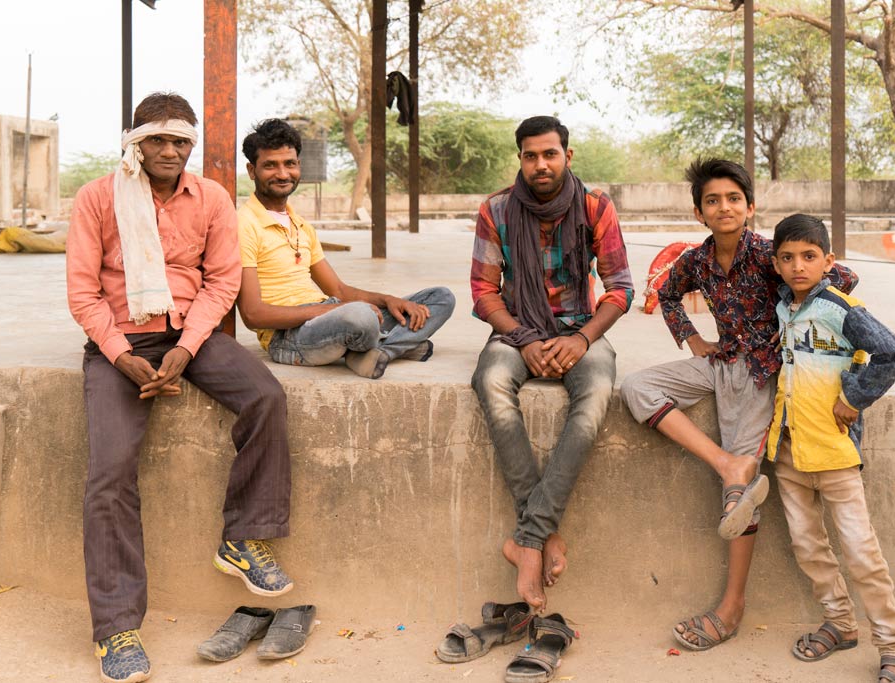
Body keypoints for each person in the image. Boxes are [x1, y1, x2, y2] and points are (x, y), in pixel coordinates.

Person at [67, 93, 294, 683]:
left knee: (266, 397)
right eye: (157, 141)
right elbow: (83, 294)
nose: (170, 152)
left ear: (191, 145)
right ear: (134, 143)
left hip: (190, 336)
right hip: (119, 342)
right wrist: (120, 355)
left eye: (181, 142)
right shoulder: (97, 197)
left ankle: (242, 539)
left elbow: (220, 283)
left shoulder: (211, 197)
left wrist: (187, 348)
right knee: (109, 473)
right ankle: (116, 626)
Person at [619, 158, 857, 651]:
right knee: (637, 387)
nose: (723, 207)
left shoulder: (772, 255)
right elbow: (664, 295)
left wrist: (797, 331)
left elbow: (842, 278)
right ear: (698, 212)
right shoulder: (698, 260)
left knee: (740, 497)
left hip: (762, 372)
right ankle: (728, 464)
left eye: (733, 199)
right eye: (712, 201)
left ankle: (731, 606)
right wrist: (692, 338)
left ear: (750, 207)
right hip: (720, 359)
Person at [470, 115, 633, 612]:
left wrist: (583, 339)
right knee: (492, 381)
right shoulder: (496, 209)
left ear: (568, 156)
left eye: (550, 154)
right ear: (519, 158)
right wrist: (522, 339)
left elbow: (621, 287)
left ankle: (528, 537)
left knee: (595, 398)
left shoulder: (594, 206)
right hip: (518, 330)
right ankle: (542, 534)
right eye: (530, 156)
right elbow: (482, 293)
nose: (540, 164)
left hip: (580, 329)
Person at [767, 214, 895, 682]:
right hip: (789, 452)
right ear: (775, 264)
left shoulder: (841, 308)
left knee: (860, 552)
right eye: (787, 258)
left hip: (834, 454)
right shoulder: (783, 309)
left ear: (828, 261)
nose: (798, 266)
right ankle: (839, 623)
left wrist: (853, 397)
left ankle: (892, 645)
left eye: (809, 257)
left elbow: (893, 352)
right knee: (808, 546)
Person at [236, 118, 454, 379]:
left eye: (289, 164)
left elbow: (339, 291)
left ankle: (375, 351)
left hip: (331, 317)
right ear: (252, 170)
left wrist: (389, 300)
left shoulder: (301, 225)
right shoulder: (243, 224)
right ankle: (393, 344)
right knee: (360, 317)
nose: (283, 174)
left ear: (298, 166)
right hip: (288, 338)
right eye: (270, 165)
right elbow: (252, 314)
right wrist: (334, 310)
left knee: (440, 298)